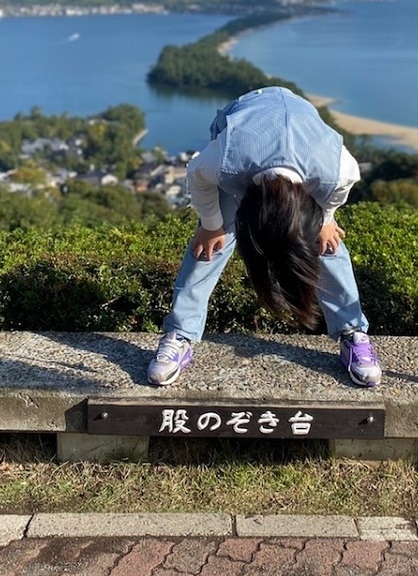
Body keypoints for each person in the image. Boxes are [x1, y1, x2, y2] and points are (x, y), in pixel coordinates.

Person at [147, 86, 382, 388]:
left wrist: (325, 220)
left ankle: (353, 332)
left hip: (301, 128)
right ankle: (179, 334)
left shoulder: (335, 171)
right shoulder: (227, 160)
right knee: (209, 246)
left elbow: (338, 192)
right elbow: (196, 173)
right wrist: (212, 224)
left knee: (325, 243)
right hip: (247, 117)